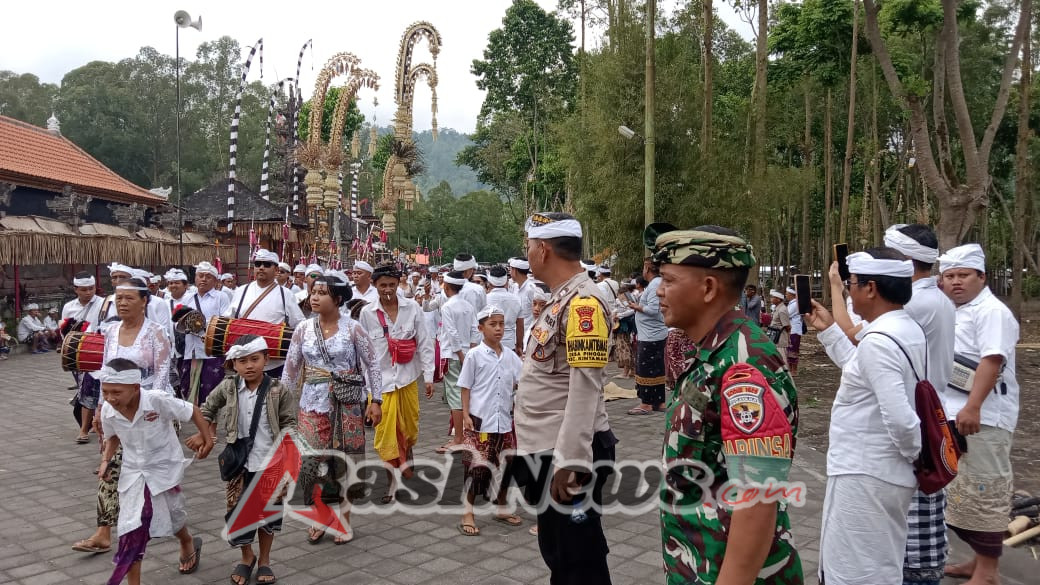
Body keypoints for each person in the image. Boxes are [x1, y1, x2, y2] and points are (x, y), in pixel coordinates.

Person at [648, 223, 801, 585]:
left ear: (708, 288)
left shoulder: (744, 366)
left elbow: (758, 502)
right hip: (699, 563)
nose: (659, 292)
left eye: (668, 280)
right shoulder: (714, 352)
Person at [805, 248, 923, 585]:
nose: (849, 290)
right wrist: (829, 331)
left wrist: (913, 456)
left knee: (856, 570)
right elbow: (861, 373)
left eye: (852, 283)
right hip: (874, 469)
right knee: (873, 560)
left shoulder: (881, 341)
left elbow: (901, 420)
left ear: (871, 288)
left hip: (869, 471)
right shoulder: (898, 329)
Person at [513, 212, 617, 585]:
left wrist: (571, 461)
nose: (526, 254)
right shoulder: (563, 299)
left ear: (543, 250)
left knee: (579, 560)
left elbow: (585, 389)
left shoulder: (583, 305)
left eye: (528, 246)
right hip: (549, 447)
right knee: (563, 554)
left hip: (566, 454)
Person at [71, 277, 173, 557]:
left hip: (149, 410)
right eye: (119, 298)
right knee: (111, 468)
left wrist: (153, 410)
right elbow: (107, 371)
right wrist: (103, 409)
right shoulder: (112, 331)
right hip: (118, 410)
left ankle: (182, 534)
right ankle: (104, 532)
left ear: (144, 301)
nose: (123, 303)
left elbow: (162, 376)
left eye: (130, 298)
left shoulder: (157, 332)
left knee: (155, 476)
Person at [937, 243, 1020, 585]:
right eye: (950, 276)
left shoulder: (992, 312)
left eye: (964, 276)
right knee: (962, 493)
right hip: (955, 413)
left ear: (981, 277)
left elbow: (992, 360)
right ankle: (976, 562)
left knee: (985, 488)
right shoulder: (953, 311)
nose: (956, 282)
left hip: (984, 416)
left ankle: (988, 571)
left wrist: (973, 406)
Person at [280, 274, 383, 545]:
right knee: (312, 463)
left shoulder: (353, 329)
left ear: (337, 299)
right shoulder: (302, 329)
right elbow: (290, 369)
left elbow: (373, 364)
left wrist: (376, 400)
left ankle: (345, 521)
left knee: (344, 463)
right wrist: (279, 404)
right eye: (313, 292)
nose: (314, 297)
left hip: (347, 404)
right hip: (311, 404)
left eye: (322, 293)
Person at [188, 335, 297, 585]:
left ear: (266, 360)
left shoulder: (278, 389)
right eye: (242, 361)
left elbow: (290, 423)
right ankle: (247, 556)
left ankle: (266, 560)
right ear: (233, 365)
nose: (249, 366)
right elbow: (207, 408)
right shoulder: (228, 387)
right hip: (239, 464)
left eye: (254, 360)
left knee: (268, 515)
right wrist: (205, 432)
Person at [883, 223, 956, 585]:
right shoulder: (933, 299)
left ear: (906, 262)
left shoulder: (916, 303)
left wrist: (837, 298)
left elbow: (866, 350)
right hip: (928, 410)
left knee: (910, 516)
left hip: (914, 417)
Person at [96, 358, 211, 584]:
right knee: (131, 528)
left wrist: (207, 439)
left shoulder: (157, 401)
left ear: (135, 387)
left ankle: (187, 541)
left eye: (116, 392)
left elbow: (192, 410)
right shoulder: (108, 411)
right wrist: (105, 460)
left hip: (164, 468)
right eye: (105, 391)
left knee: (174, 515)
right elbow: (112, 437)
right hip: (134, 474)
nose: (110, 398)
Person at [357, 264, 435, 496]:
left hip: (408, 379)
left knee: (409, 428)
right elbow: (363, 352)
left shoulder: (412, 308)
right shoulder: (366, 313)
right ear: (375, 286)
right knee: (385, 436)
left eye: (392, 285)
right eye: (383, 286)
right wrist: (365, 388)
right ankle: (392, 483)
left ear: (398, 284)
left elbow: (424, 342)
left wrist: (429, 376)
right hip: (379, 385)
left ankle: (407, 451)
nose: (388, 290)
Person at [458, 305, 525, 536]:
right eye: (492, 324)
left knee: (507, 465)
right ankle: (468, 511)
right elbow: (465, 387)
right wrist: (465, 414)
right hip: (480, 421)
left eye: (501, 324)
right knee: (476, 468)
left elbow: (523, 380)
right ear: (481, 328)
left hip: (504, 420)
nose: (498, 329)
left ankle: (501, 505)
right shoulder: (474, 356)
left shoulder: (510, 356)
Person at [223, 249, 305, 377]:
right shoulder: (241, 291)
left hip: (273, 362)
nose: (261, 267)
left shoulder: (286, 294)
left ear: (276, 270)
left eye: (267, 264)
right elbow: (228, 319)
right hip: (243, 360)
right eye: (258, 264)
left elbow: (299, 325)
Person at [434, 270, 478, 453]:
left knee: (455, 397)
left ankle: (459, 438)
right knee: (467, 393)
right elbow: (476, 330)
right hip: (468, 351)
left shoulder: (447, 307)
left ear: (446, 286)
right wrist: (472, 352)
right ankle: (466, 436)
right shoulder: (468, 306)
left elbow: (451, 334)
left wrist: (461, 355)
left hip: (454, 355)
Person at [181, 262, 231, 405]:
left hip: (211, 351)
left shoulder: (221, 297)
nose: (203, 279)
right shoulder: (187, 298)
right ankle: (200, 425)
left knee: (211, 396)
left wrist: (201, 323)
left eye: (208, 277)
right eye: (200, 276)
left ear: (215, 281)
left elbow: (225, 321)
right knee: (188, 391)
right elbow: (177, 320)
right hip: (191, 351)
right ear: (195, 278)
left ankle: (209, 426)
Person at [64, 272, 106, 441]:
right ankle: (90, 424)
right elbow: (65, 333)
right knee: (85, 390)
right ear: (76, 290)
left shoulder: (103, 303)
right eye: (84, 289)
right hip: (78, 355)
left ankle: (84, 430)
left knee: (90, 389)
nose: (88, 292)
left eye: (91, 288)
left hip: (98, 353)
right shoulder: (69, 307)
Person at [628, 259, 668, 414]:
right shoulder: (657, 283)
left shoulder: (654, 285)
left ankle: (646, 403)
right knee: (657, 368)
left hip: (651, 335)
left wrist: (636, 306)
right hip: (653, 333)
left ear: (648, 269)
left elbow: (653, 309)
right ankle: (660, 401)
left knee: (646, 369)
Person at [485, 266, 523, 354]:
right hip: (509, 345)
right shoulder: (516, 300)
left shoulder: (484, 299)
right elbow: (520, 326)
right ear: (506, 282)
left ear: (489, 282)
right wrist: (519, 346)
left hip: (488, 345)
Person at [509, 257, 535, 355]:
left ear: (515, 271)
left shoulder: (531, 289)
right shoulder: (514, 287)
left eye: (511, 269)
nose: (510, 272)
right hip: (515, 338)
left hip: (528, 338)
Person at [612, 282, 637, 379]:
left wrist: (618, 315)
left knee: (623, 347)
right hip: (626, 326)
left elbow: (631, 310)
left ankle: (625, 372)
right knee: (627, 347)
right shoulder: (630, 298)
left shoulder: (623, 299)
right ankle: (632, 370)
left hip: (623, 326)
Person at [767, 290, 791, 365]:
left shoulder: (782, 310)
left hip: (780, 337)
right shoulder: (777, 308)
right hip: (774, 336)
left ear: (778, 299)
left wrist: (787, 337)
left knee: (782, 357)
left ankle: (785, 372)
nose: (771, 299)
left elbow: (787, 326)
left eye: (773, 297)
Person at [784, 287, 804, 375]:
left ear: (791, 295)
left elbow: (787, 314)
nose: (786, 295)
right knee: (789, 349)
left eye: (787, 294)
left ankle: (794, 370)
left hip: (795, 329)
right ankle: (790, 368)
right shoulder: (791, 303)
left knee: (793, 349)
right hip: (791, 329)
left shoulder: (795, 304)